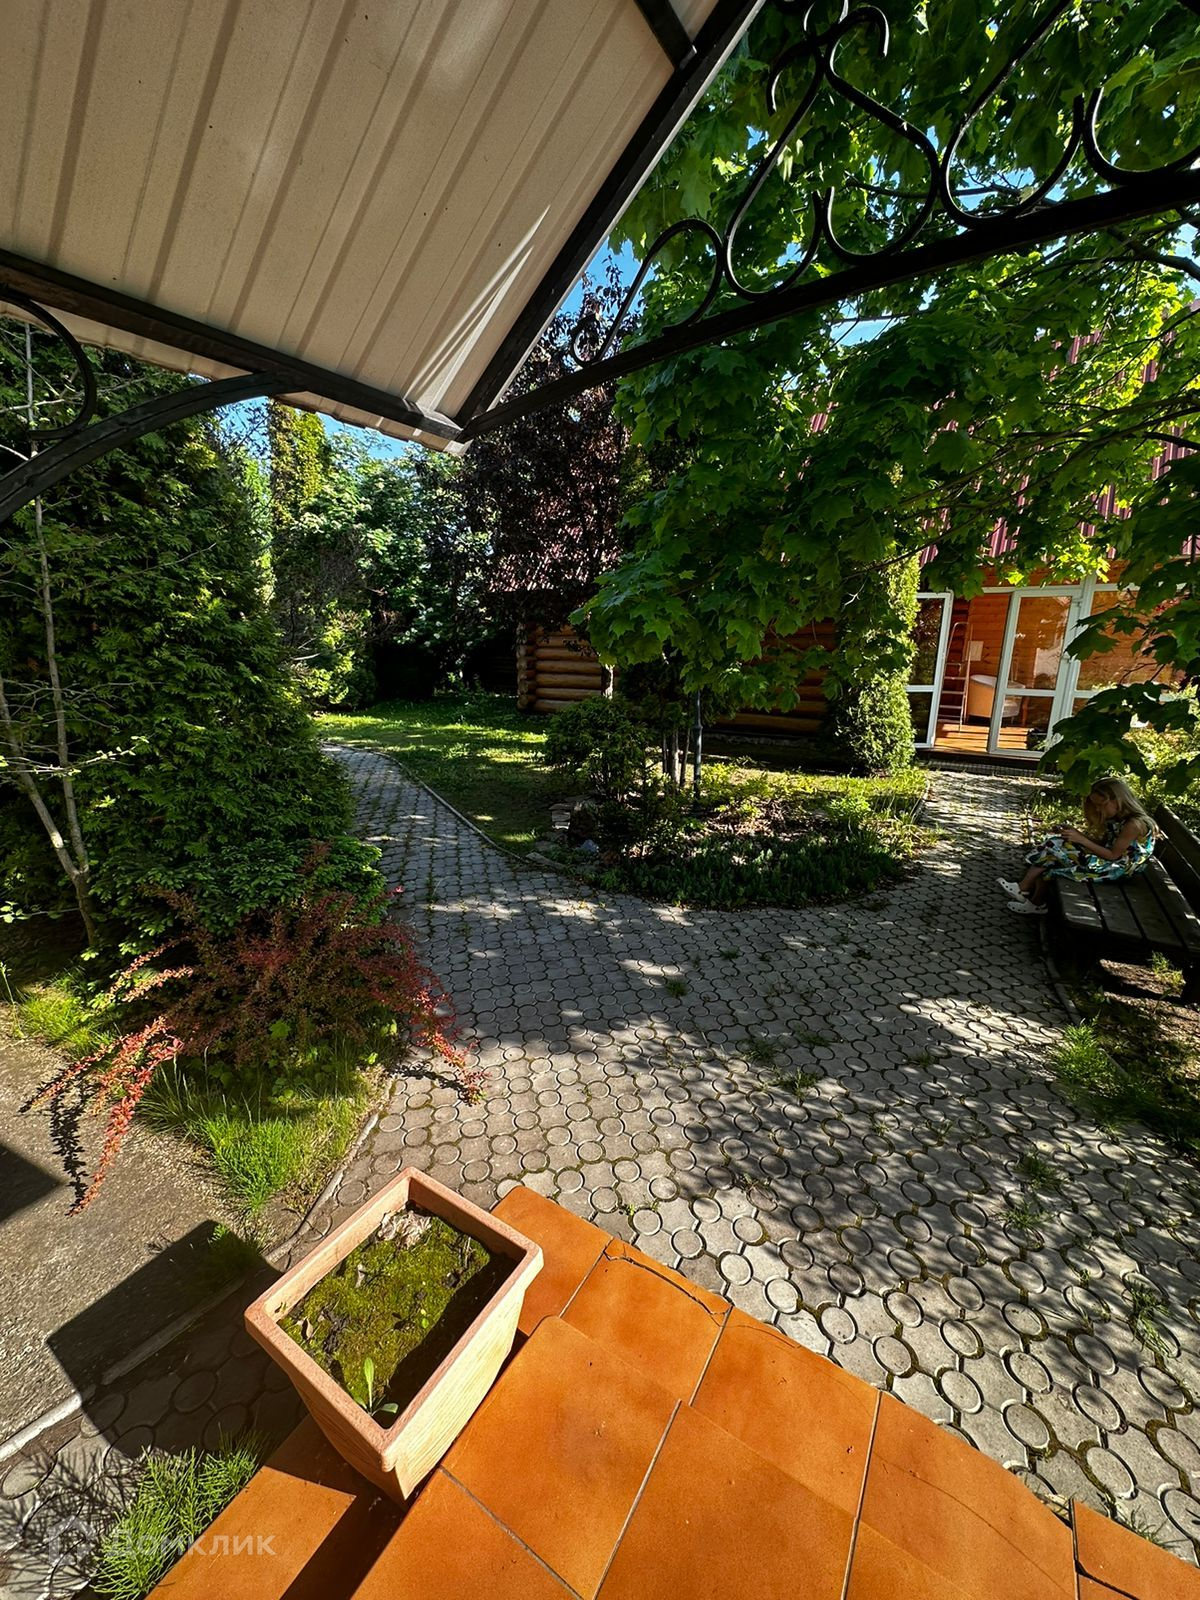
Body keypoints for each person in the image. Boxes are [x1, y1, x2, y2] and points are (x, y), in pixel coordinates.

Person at [998, 776, 1157, 916]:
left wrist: (1082, 840)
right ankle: (1029, 895)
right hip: (1108, 863)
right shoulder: (1118, 820)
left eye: (1100, 805)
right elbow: (1103, 845)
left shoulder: (1133, 824)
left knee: (1055, 850)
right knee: (1056, 845)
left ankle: (1027, 892)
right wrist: (1077, 835)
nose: (1097, 809)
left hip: (1115, 869)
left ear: (1117, 800)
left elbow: (1112, 855)